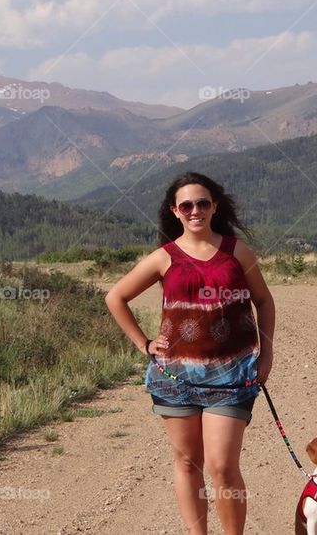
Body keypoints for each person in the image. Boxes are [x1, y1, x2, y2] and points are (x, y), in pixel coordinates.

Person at [105, 171, 276, 535]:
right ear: (175, 211)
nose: (195, 210)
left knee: (222, 466)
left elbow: (263, 300)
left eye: (202, 203)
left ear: (214, 206)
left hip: (231, 377)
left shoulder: (236, 252)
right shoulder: (163, 257)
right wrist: (143, 343)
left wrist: (266, 353)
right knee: (187, 463)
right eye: (186, 205)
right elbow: (115, 297)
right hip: (175, 379)